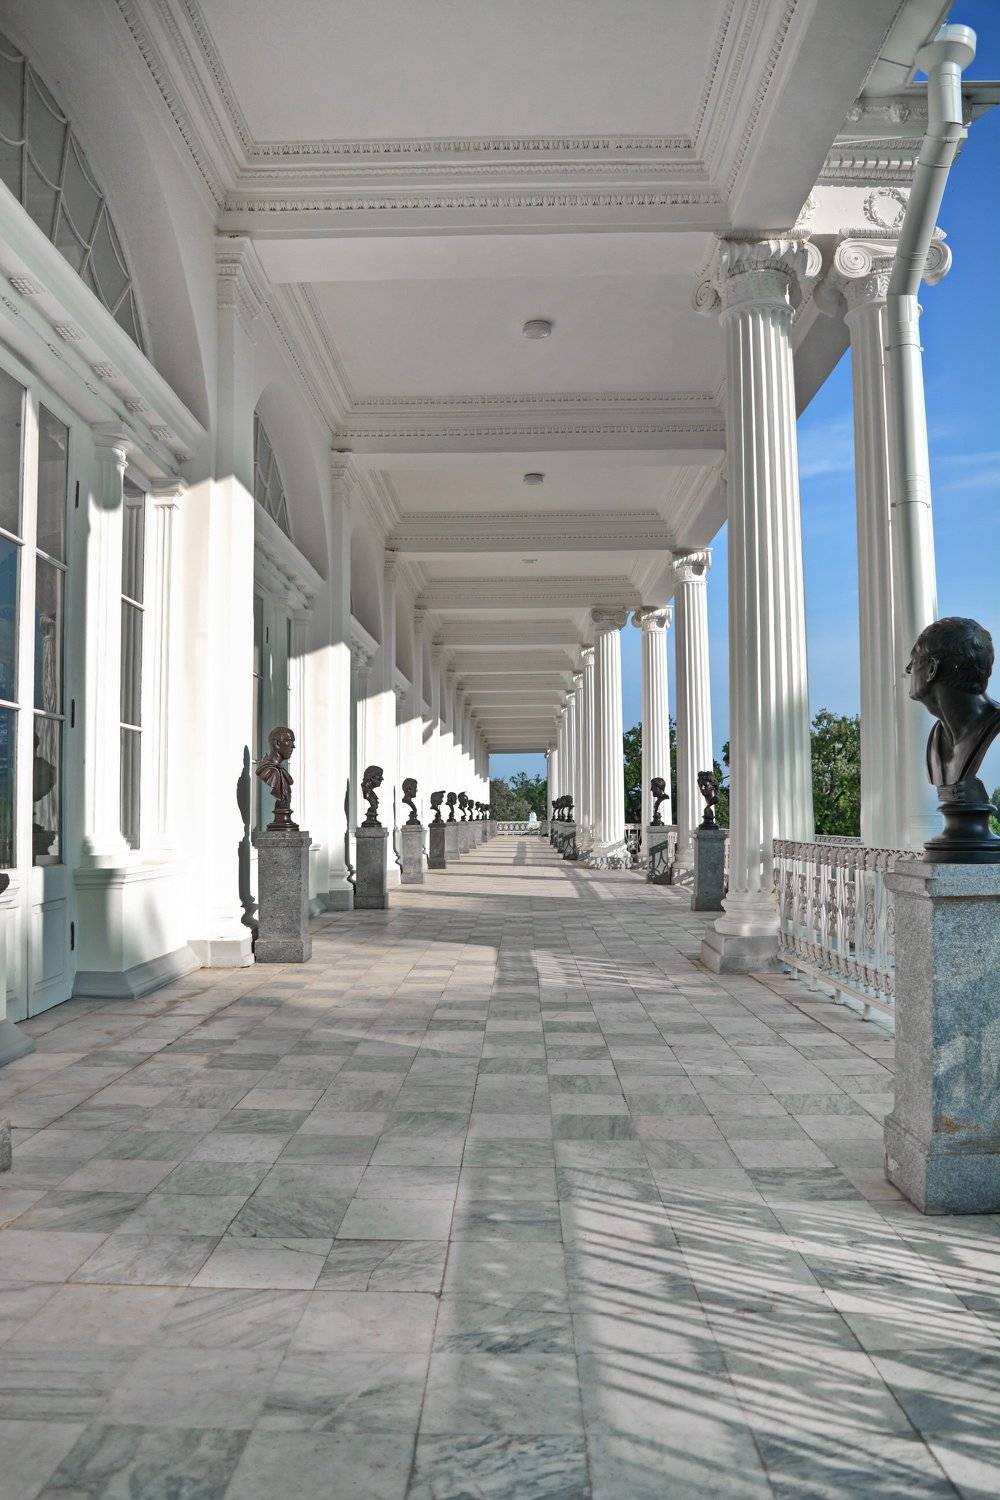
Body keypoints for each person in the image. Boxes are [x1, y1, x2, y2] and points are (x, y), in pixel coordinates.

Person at [907, 617, 1000, 787]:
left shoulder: (994, 730)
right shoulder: (937, 737)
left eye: (913, 661)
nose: (908, 670)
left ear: (932, 669)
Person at [255, 726, 297, 830]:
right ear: (277, 744)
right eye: (289, 741)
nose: (293, 746)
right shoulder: (269, 771)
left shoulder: (281, 771)